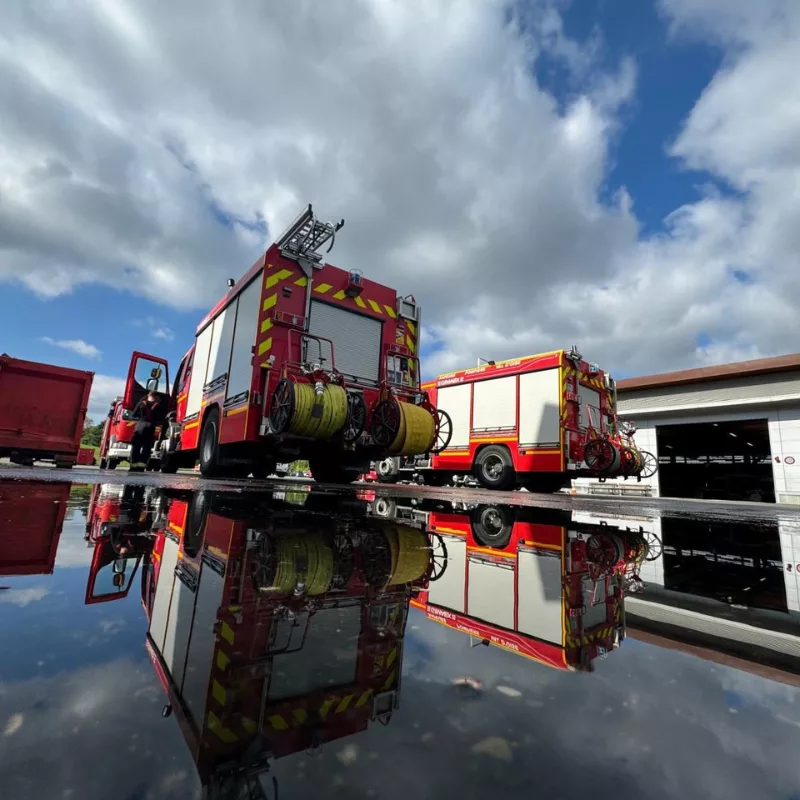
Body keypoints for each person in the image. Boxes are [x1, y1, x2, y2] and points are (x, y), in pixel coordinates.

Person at [129, 391, 167, 471]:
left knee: (136, 447)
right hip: (150, 427)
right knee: (147, 448)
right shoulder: (159, 406)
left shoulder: (141, 403)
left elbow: (134, 415)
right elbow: (161, 418)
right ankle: (141, 466)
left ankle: (133, 465)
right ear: (156, 397)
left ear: (148, 396)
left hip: (140, 426)